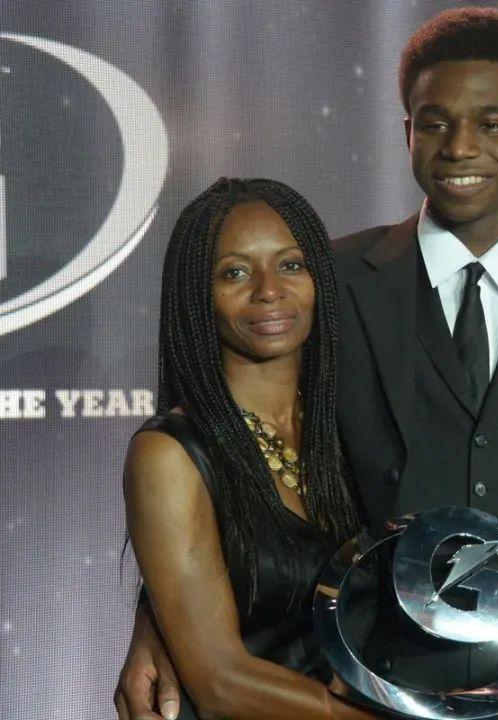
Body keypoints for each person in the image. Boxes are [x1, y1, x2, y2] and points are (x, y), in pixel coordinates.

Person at [115, 8, 498, 720]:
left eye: (491, 123)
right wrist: (166, 616)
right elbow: (236, 469)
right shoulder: (329, 282)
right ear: (407, 131)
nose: (461, 147)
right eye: (436, 123)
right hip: (382, 686)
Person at [122, 178, 379, 719]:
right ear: (198, 295)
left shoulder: (352, 425)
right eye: (234, 273)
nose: (268, 290)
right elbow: (221, 683)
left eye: (290, 265)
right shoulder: (169, 455)